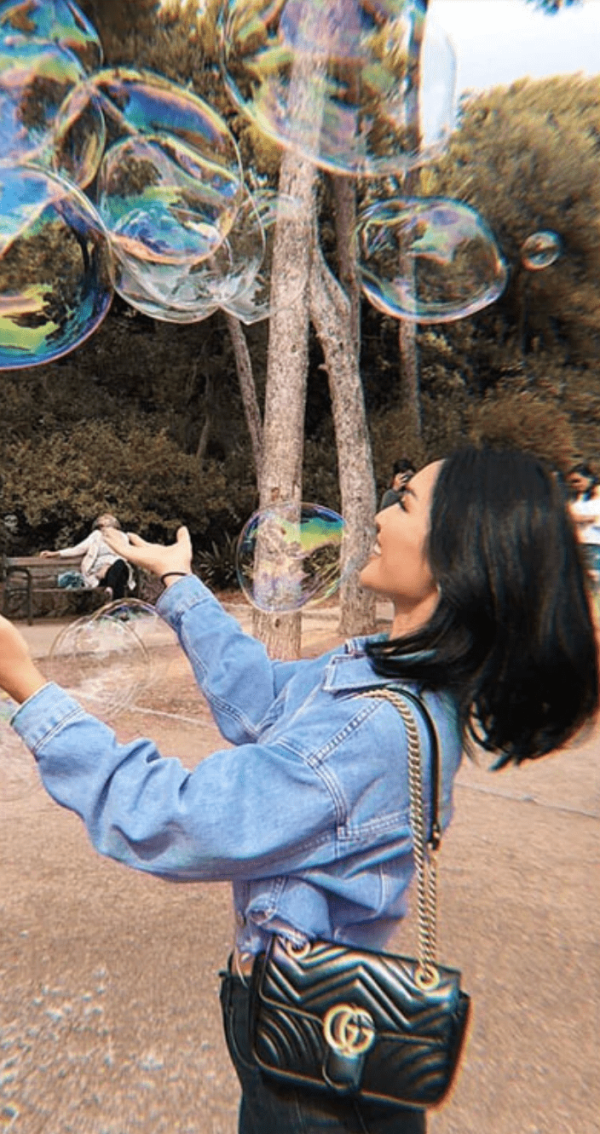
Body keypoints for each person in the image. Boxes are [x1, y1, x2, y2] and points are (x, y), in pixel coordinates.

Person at [0, 446, 597, 1134]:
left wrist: (29, 688)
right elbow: (261, 699)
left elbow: (181, 819)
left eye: (404, 504)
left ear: (458, 552)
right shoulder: (389, 681)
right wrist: (178, 581)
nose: (379, 517)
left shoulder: (374, 726)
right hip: (299, 1022)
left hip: (315, 1064)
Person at [40, 513, 134, 601]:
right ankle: (117, 605)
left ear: (113, 523)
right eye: (101, 519)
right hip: (99, 574)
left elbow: (126, 554)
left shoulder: (122, 536)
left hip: (116, 567)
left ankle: (110, 589)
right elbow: (78, 549)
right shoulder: (96, 535)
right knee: (120, 579)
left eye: (105, 518)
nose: (102, 519)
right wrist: (56, 553)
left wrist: (108, 566)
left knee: (120, 563)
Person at [566, 463, 600, 581]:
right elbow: (570, 516)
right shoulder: (575, 499)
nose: (575, 485)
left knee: (595, 577)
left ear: (589, 478)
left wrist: (584, 518)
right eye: (572, 482)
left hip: (595, 543)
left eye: (577, 481)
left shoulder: (596, 497)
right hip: (579, 543)